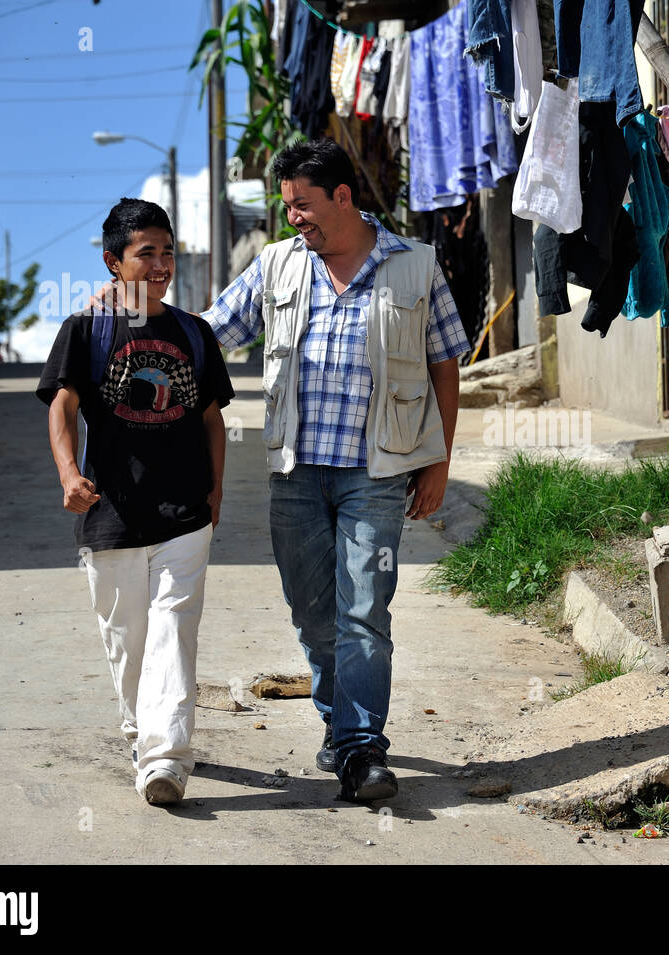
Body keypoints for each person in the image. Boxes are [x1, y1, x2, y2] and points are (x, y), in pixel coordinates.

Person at [205, 139, 468, 802]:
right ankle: (340, 722)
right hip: (294, 473)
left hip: (375, 474)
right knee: (313, 612)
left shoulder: (415, 264)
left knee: (364, 611)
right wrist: (134, 323)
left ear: (344, 196)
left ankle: (360, 747)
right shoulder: (276, 266)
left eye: (304, 205)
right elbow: (209, 332)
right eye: (287, 205)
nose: (294, 217)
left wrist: (438, 458)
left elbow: (445, 362)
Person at [37, 198, 234, 806]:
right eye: (145, 253)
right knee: (128, 640)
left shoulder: (195, 333)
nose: (160, 264)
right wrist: (70, 474)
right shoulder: (85, 331)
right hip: (112, 512)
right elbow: (62, 408)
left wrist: (216, 487)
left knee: (175, 629)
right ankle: (140, 728)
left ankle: (165, 760)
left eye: (167, 251)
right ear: (112, 262)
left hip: (183, 512)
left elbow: (211, 421)